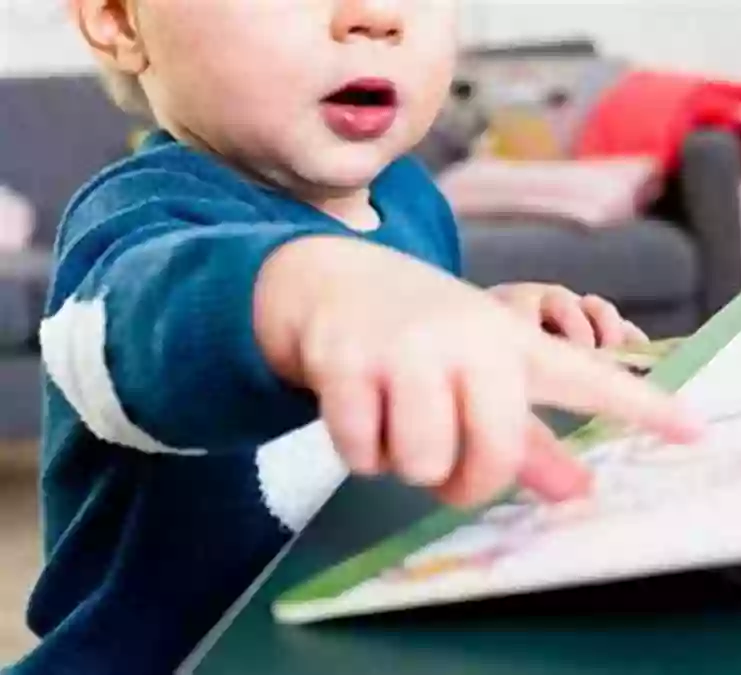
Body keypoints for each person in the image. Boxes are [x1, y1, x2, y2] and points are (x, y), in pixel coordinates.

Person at [9, 1, 702, 673]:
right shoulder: (139, 221)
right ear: (120, 21)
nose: (376, 13)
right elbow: (135, 332)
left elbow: (383, 375)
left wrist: (475, 322)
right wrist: (302, 293)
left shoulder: (410, 196)